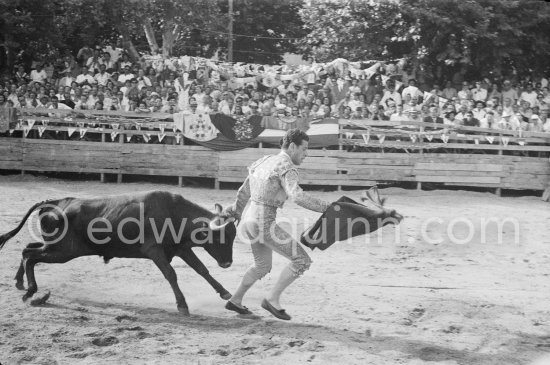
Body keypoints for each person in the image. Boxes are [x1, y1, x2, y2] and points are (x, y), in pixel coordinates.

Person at [224, 129, 331, 320]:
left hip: (248, 219)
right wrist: (327, 208)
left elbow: (243, 191)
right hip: (263, 223)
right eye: (304, 149)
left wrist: (236, 212)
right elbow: (297, 196)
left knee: (262, 265)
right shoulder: (286, 166)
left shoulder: (264, 160)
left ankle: (235, 300)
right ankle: (272, 299)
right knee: (302, 260)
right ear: (292, 146)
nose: (306, 154)